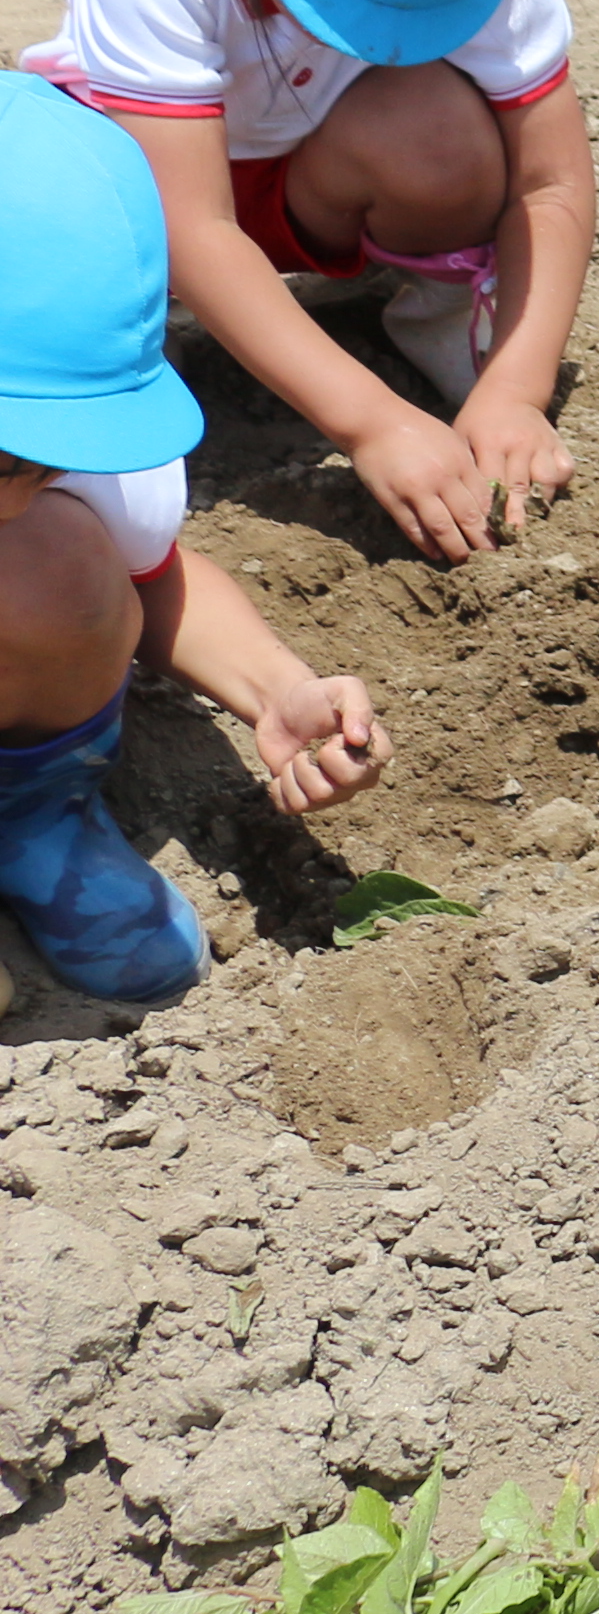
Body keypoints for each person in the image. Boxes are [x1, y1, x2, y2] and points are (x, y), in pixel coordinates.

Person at [23, 0, 590, 565]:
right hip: (147, 186)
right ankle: (125, 355)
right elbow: (194, 224)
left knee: (442, 135)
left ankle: (430, 310)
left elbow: (550, 181)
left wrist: (520, 385)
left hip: (319, 170)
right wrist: (370, 424)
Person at [0, 78, 386, 1004]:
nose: (34, 482)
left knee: (60, 564)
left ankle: (34, 816)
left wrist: (275, 692)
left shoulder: (60, 469)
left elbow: (152, 579)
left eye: (46, 457)